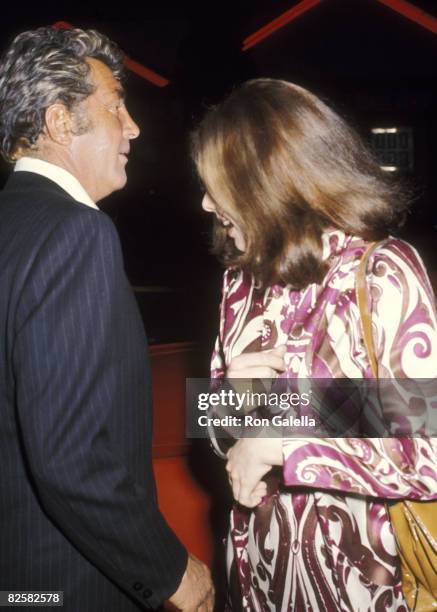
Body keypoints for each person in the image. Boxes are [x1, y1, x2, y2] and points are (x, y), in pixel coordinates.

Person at [191, 79, 437, 610]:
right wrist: (231, 396)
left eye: (219, 185)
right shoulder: (241, 280)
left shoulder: (381, 274)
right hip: (259, 577)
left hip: (363, 587)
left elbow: (428, 450)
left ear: (269, 183)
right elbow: (217, 429)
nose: (207, 202)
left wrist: (284, 444)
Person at [0, 27, 214, 611]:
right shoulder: (76, 231)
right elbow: (71, 452)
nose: (134, 127)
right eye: (116, 105)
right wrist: (171, 571)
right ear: (61, 122)